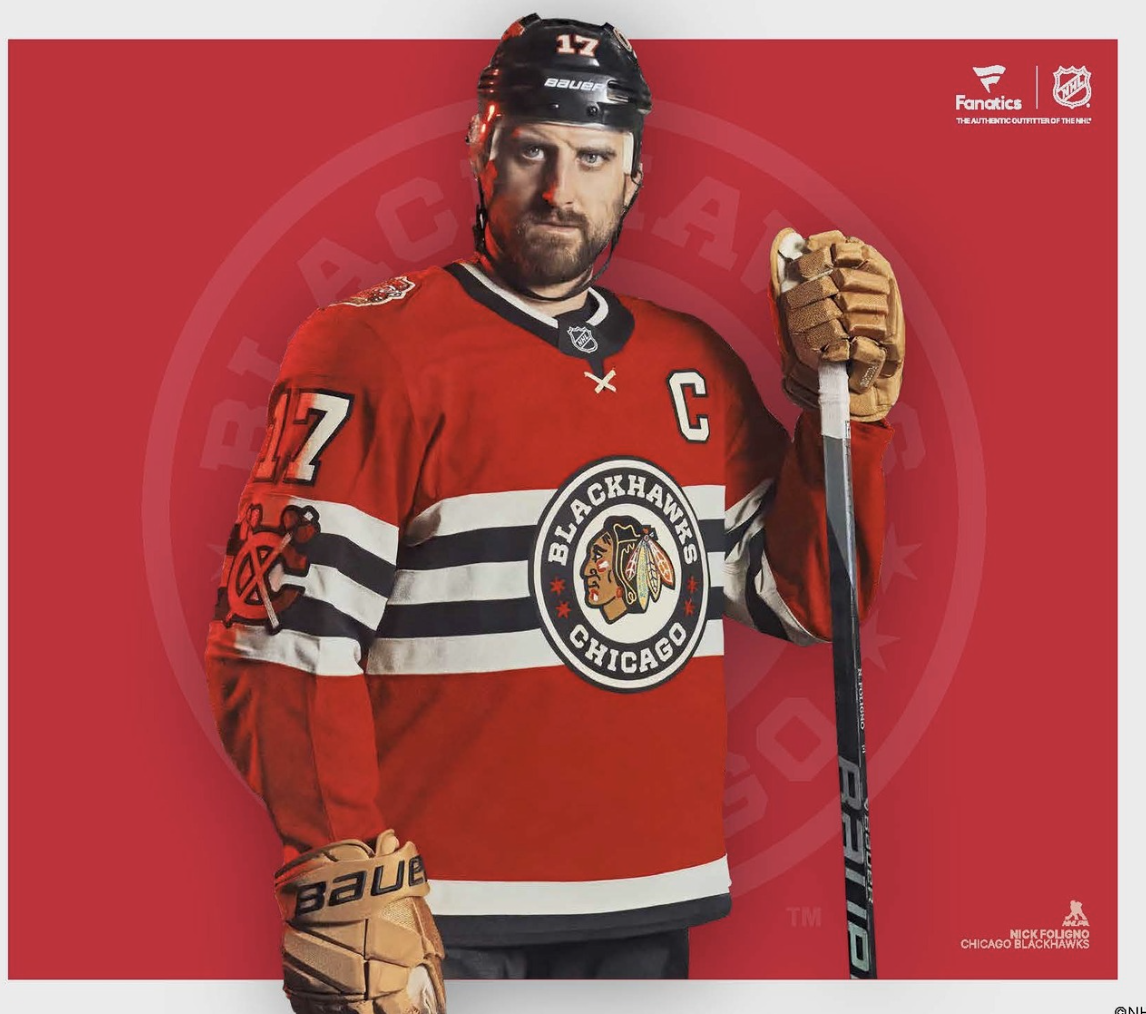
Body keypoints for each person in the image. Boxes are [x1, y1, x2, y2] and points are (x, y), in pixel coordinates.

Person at [204, 12, 905, 1010]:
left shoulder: (692, 360)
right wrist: (339, 865)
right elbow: (284, 633)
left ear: (634, 176)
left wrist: (849, 423)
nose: (558, 189)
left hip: (650, 902)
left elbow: (801, 599)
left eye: (592, 155)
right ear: (480, 148)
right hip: (441, 914)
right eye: (532, 146)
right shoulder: (374, 350)